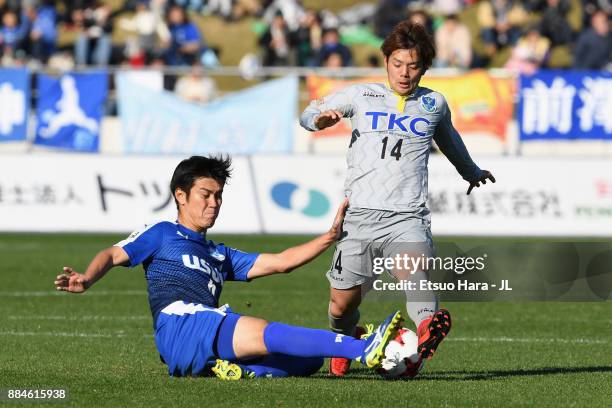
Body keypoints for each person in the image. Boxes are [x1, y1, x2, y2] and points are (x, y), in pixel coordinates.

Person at [55, 155, 403, 379]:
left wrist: (329, 237)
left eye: (218, 195)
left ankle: (227, 368)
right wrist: (87, 277)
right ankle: (365, 349)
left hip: (200, 337)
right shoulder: (162, 233)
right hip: (181, 325)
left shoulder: (217, 254)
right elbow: (112, 255)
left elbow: (281, 263)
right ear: (180, 195)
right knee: (265, 330)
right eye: (205, 194)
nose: (214, 203)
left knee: (305, 362)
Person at [300, 20, 495, 377]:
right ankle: (348, 339)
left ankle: (425, 336)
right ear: (386, 60)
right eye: (398, 64)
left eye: (414, 65)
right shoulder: (361, 95)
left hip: (407, 216)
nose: (405, 73)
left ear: (425, 67)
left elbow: (449, 141)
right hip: (358, 217)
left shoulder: (434, 104)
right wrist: (319, 120)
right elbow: (309, 111)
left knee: (413, 270)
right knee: (341, 306)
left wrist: (472, 172)